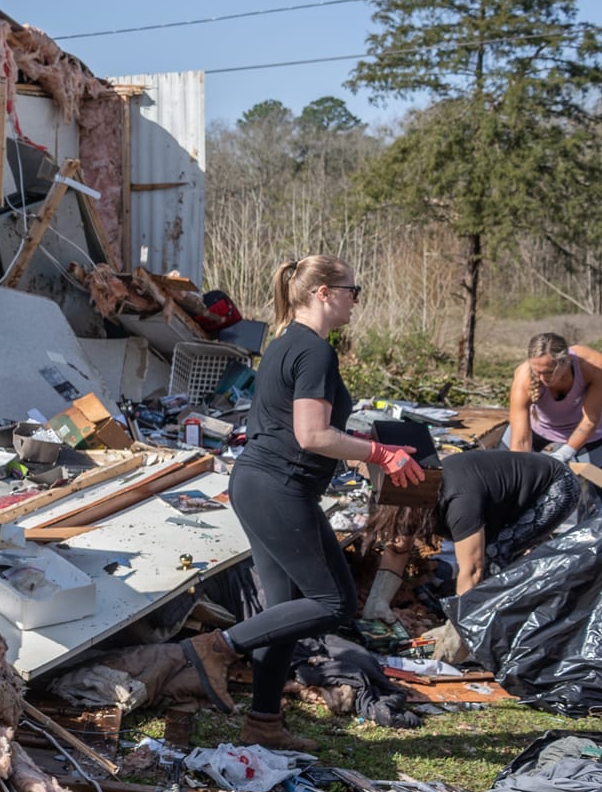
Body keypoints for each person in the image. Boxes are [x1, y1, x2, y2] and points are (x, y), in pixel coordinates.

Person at [171, 256, 425, 751]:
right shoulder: (314, 351)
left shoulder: (286, 344)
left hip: (265, 485)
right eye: (355, 289)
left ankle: (263, 723)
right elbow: (312, 435)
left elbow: (308, 430)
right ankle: (214, 649)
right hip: (278, 487)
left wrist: (363, 446)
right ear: (325, 292)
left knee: (289, 608)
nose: (357, 299)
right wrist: (378, 452)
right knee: (332, 601)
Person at [363, 449, 580, 600]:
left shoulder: (459, 503)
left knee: (495, 555)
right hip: (502, 494)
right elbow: (398, 549)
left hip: (555, 486)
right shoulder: (412, 497)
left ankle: (502, 621)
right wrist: (377, 601)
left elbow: (474, 568)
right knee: (487, 555)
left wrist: (458, 630)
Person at [504, 332, 602, 471]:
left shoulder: (593, 364)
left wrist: (565, 453)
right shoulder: (523, 377)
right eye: (537, 372)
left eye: (549, 372)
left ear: (566, 361)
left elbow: (591, 418)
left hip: (586, 430)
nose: (543, 378)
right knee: (510, 470)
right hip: (541, 429)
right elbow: (520, 442)